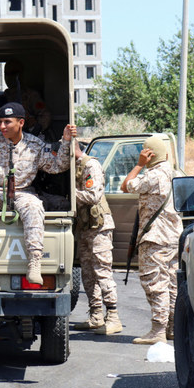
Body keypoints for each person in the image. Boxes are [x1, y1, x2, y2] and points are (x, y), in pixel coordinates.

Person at [0, 103, 75, 284]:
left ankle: (34, 262)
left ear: (21, 122)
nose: (2, 127)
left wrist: (66, 141)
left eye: (7, 122)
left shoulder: (34, 144)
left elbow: (56, 166)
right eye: (0, 122)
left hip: (22, 192)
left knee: (34, 205)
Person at [121, 136, 182, 344]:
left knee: (155, 283)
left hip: (156, 238)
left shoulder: (153, 176)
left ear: (150, 154)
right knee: (171, 284)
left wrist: (139, 165)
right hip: (173, 238)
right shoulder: (172, 172)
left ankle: (158, 331)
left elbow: (126, 185)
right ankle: (173, 328)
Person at [72, 140, 122, 334]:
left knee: (102, 271)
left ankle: (113, 316)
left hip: (99, 227)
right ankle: (96, 316)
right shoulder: (75, 166)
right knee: (88, 273)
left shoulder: (90, 165)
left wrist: (70, 194)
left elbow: (93, 195)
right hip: (86, 226)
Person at [3, 58, 52, 136]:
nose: (10, 77)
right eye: (7, 74)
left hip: (28, 135)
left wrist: (36, 128)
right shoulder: (3, 96)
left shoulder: (31, 95)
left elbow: (45, 115)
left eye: (13, 73)